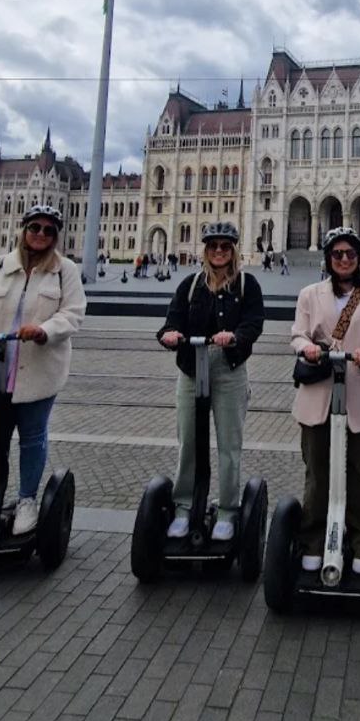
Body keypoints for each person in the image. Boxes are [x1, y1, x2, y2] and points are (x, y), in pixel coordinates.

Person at [0, 205, 86, 538]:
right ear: (23, 230)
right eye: (35, 228)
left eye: (48, 230)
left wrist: (44, 331)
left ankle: (26, 500)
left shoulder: (64, 270)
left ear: (56, 236)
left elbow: (72, 313)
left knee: (33, 438)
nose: (40, 235)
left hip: (36, 370)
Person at [291, 227, 360, 574]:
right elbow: (298, 335)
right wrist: (306, 348)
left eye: (350, 254)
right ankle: (315, 539)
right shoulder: (309, 294)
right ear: (328, 258)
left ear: (359, 258)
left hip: (358, 396)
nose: (344, 259)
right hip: (318, 396)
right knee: (317, 472)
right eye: (337, 254)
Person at [157, 222, 264, 540]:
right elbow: (171, 320)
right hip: (192, 368)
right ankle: (183, 507)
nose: (219, 251)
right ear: (206, 250)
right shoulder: (190, 286)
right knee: (188, 441)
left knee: (230, 445)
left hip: (229, 369)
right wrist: (169, 335)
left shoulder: (246, 285)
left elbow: (254, 323)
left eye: (226, 246)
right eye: (214, 246)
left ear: (233, 251)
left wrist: (236, 337)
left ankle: (229, 509)